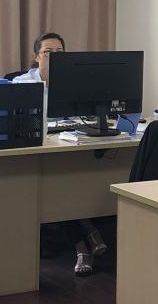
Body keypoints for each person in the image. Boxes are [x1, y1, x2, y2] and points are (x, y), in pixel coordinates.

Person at [15, 32, 108, 277]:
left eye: (60, 53)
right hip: (35, 154)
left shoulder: (76, 83)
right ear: (36, 57)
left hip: (70, 147)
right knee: (60, 184)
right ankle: (84, 243)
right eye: (48, 52)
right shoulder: (22, 84)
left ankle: (86, 237)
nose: (55, 57)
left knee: (70, 178)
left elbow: (84, 116)